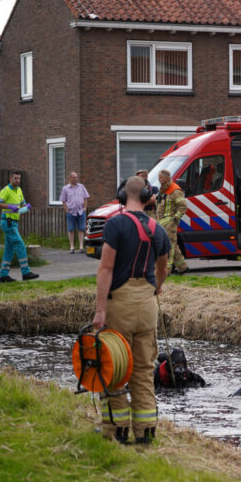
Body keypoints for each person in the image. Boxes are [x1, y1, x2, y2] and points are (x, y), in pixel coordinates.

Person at [92, 176, 170, 444]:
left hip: (120, 305)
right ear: (148, 196)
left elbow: (106, 268)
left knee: (114, 368)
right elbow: (164, 269)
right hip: (147, 305)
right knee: (143, 371)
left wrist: (100, 310)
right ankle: (146, 433)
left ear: (122, 196)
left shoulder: (115, 224)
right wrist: (156, 289)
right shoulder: (158, 229)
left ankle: (117, 432)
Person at [0, 171, 39, 283]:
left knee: (9, 249)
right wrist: (10, 207)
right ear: (10, 179)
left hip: (14, 222)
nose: (17, 180)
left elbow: (22, 204)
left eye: (19, 178)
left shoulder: (19, 190)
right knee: (20, 245)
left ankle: (3, 276)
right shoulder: (6, 190)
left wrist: (26, 207)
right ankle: (25, 272)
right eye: (15, 178)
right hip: (7, 221)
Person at [157, 169, 189, 275]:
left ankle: (167, 271)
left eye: (160, 177)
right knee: (173, 245)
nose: (158, 179)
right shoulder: (164, 190)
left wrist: (175, 218)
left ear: (166, 178)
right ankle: (182, 267)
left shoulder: (175, 190)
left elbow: (183, 206)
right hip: (163, 223)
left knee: (169, 247)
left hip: (170, 223)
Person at [59, 171, 90, 253]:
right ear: (70, 178)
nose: (76, 179)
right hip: (71, 212)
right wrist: (66, 210)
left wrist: (85, 208)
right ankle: (72, 247)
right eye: (75, 177)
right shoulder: (65, 188)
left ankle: (81, 247)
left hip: (80, 211)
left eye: (77, 177)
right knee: (71, 229)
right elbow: (63, 200)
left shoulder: (81, 187)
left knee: (81, 229)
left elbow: (85, 197)